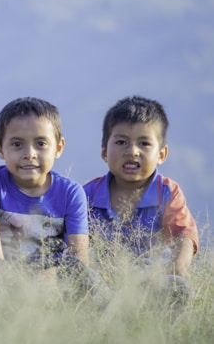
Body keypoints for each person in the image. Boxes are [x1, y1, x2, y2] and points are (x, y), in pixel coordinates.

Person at [0, 97, 100, 301]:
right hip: (4, 277)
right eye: (17, 144)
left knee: (89, 279)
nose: (30, 154)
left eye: (41, 144)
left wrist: (51, 279)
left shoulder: (71, 192)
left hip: (55, 280)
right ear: (0, 148)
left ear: (59, 147)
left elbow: (79, 258)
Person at [84, 95, 198, 308]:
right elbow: (77, 241)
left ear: (162, 154)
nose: (132, 151)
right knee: (81, 279)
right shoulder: (88, 195)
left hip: (154, 282)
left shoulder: (167, 192)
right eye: (121, 142)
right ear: (104, 152)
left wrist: (177, 270)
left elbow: (184, 236)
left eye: (144, 143)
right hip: (105, 283)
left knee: (177, 289)